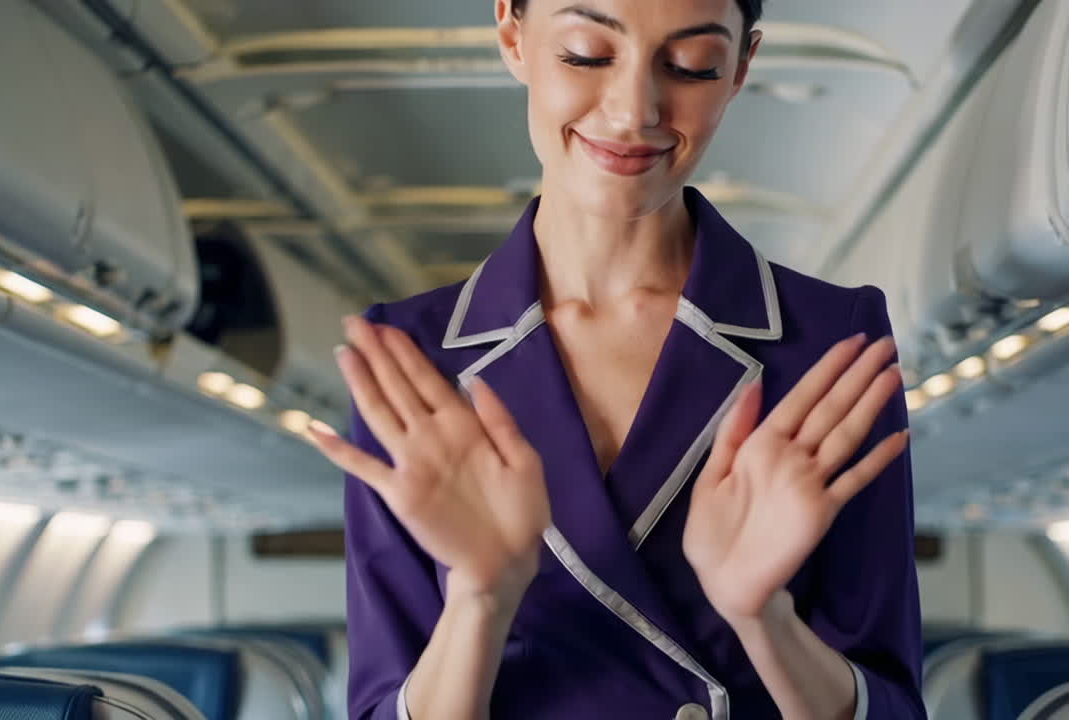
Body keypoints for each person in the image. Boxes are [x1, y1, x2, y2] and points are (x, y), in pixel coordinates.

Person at [308, 1, 925, 718]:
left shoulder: (829, 339)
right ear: (512, 34)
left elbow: (893, 703)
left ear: (740, 68)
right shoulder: (411, 358)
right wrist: (480, 597)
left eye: (692, 66)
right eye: (586, 53)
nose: (635, 112)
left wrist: (765, 620)